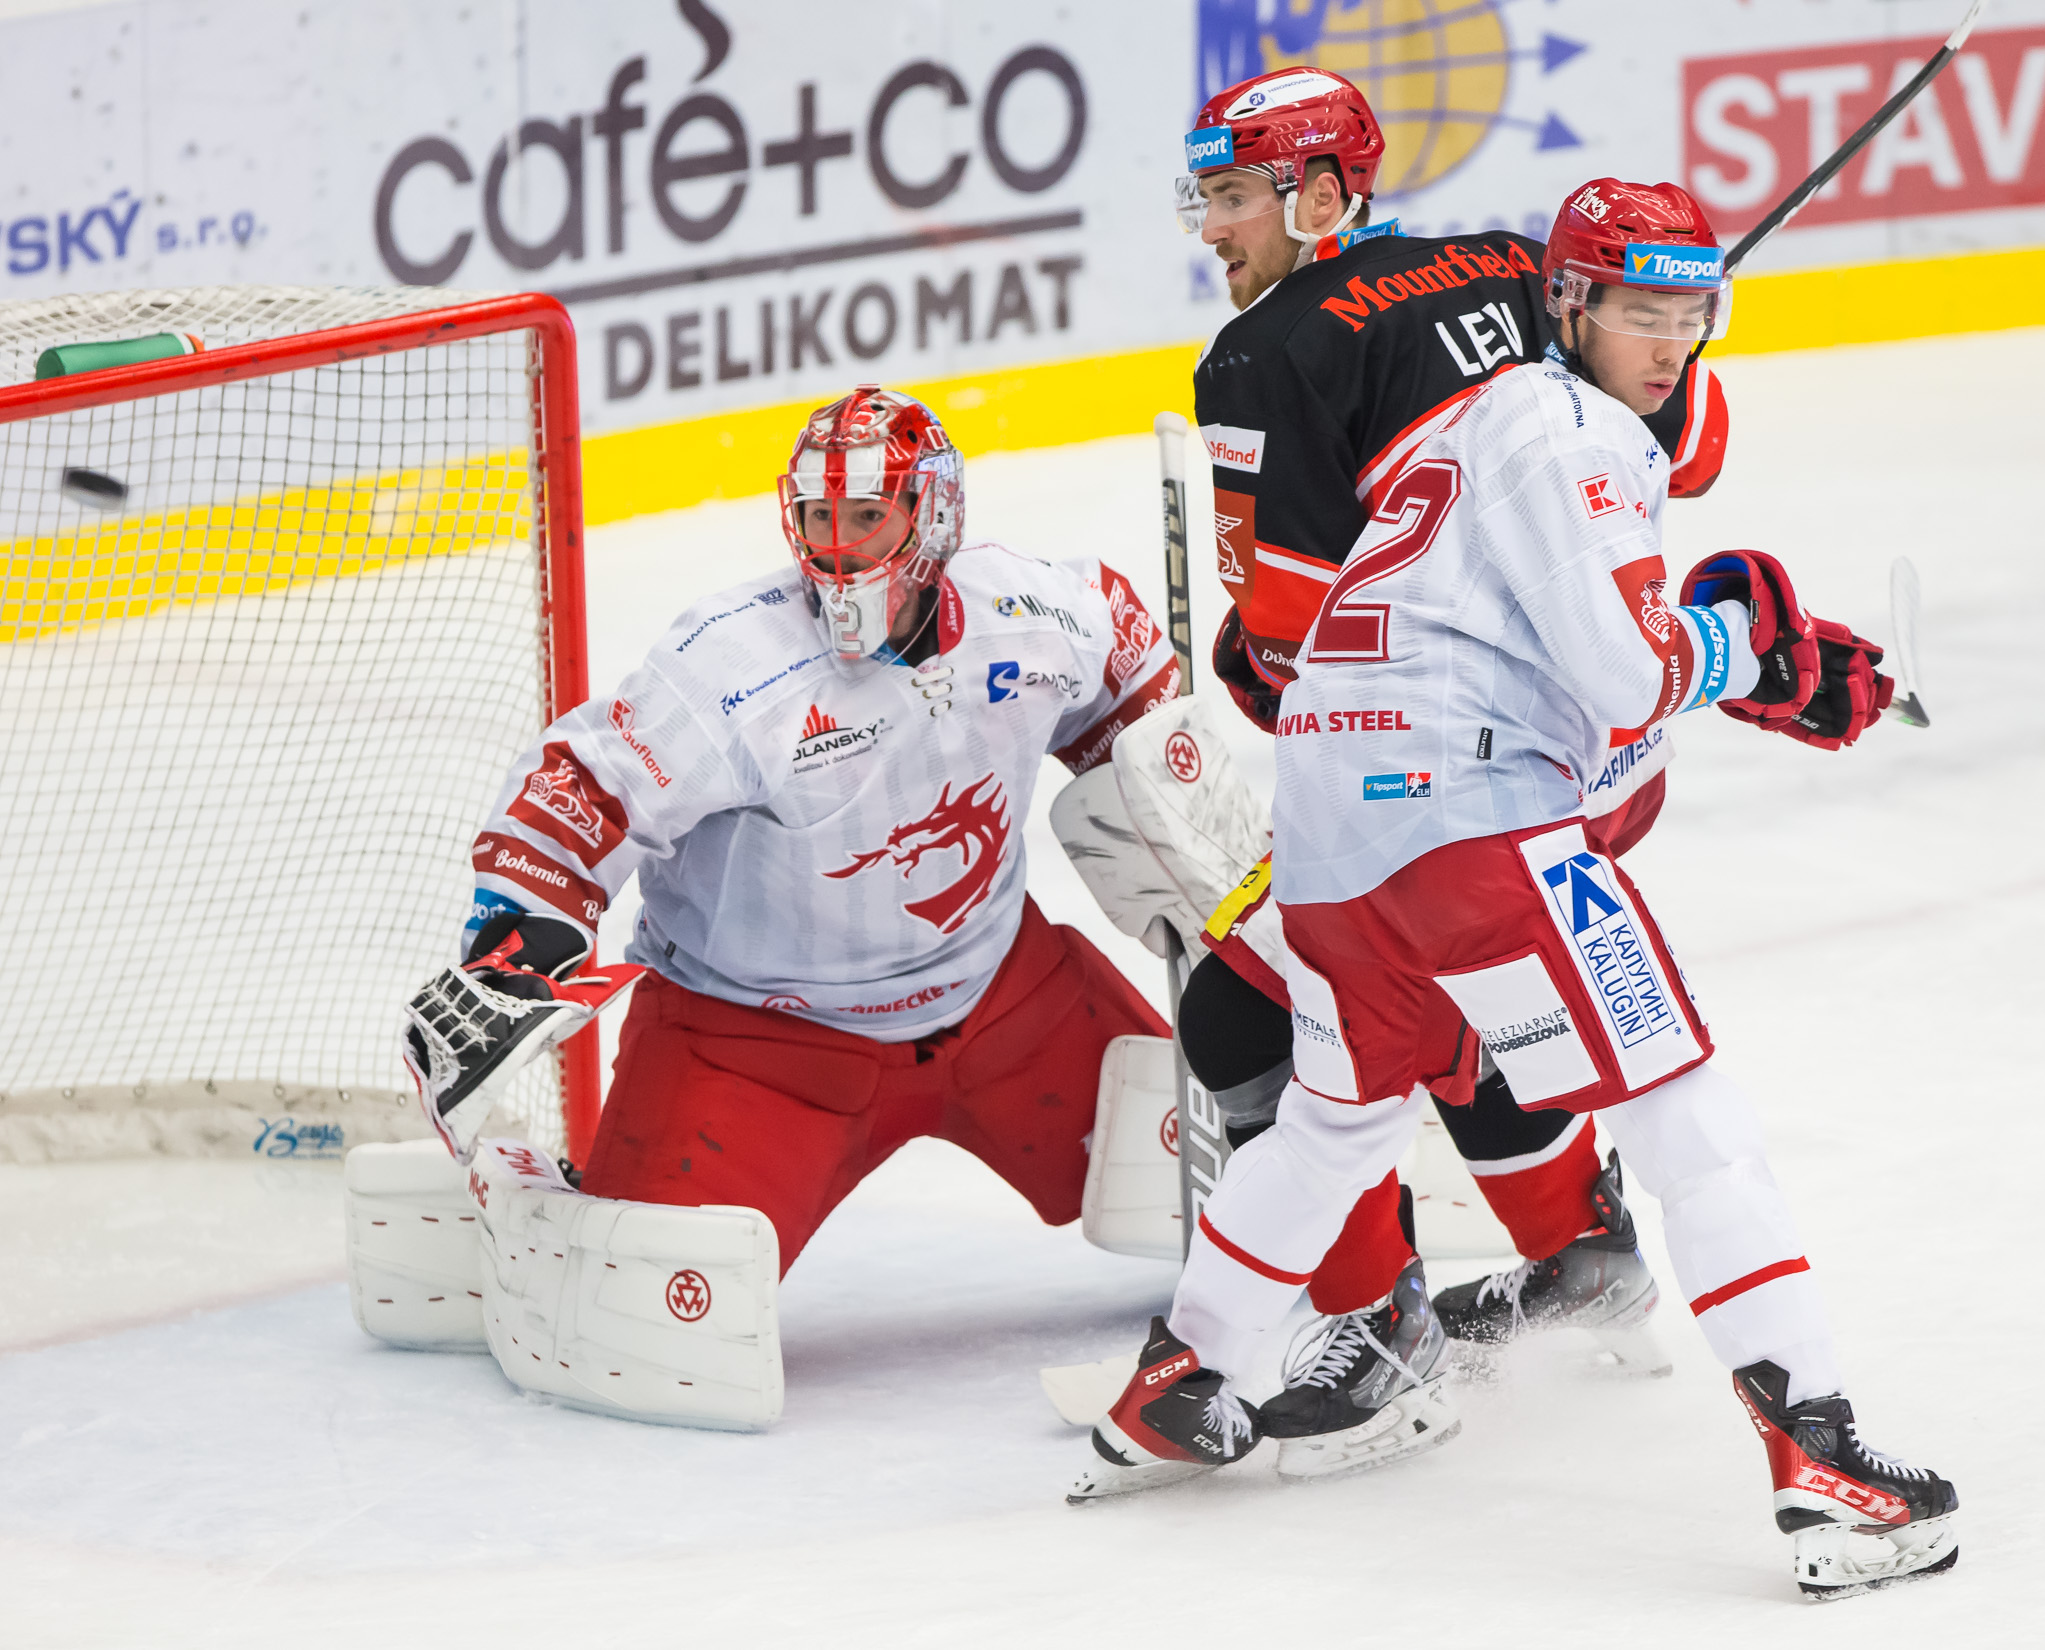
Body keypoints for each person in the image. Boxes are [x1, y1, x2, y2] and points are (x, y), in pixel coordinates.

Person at [1081, 179, 1957, 1605]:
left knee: (1333, 1121)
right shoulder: (1577, 433)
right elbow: (1622, 677)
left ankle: (1180, 1381)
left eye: (1695, 312)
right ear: (1565, 303)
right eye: (1641, 310)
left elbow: (1545, 653)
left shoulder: (1472, 423)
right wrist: (1750, 650)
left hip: (1331, 845)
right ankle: (1824, 1465)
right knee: (1688, 1120)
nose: (1672, 344)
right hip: (1467, 822)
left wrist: (1742, 651)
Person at [374, 385, 1234, 1430]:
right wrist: (516, 942)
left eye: (866, 515)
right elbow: (583, 784)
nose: (837, 547)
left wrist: (1165, 787)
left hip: (1005, 1004)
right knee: (640, 1328)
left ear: (933, 515)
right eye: (819, 517)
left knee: (1231, 1183)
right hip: (757, 1046)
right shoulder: (735, 665)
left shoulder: (1036, 612)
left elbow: (1125, 666)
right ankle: (515, 1194)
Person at [1164, 66, 1732, 1422]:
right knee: (1470, 997)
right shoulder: (1515, 262)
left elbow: (1292, 641)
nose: (1212, 229)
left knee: (1245, 1010)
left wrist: (1248, 664)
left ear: (1319, 196)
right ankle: (1580, 1249)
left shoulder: (1260, 352)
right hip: (1606, 735)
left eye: (1235, 196)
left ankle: (1376, 1322)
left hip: (1450, 765)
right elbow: (1695, 447)